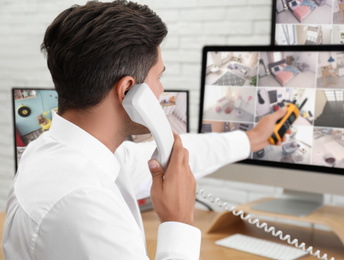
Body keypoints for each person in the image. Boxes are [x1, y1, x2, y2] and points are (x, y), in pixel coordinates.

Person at [2, 1, 287, 259]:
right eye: (159, 77)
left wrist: (251, 139)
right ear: (128, 90)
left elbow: (175, 154)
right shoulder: (85, 205)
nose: (161, 90)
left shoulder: (56, 151)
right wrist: (178, 222)